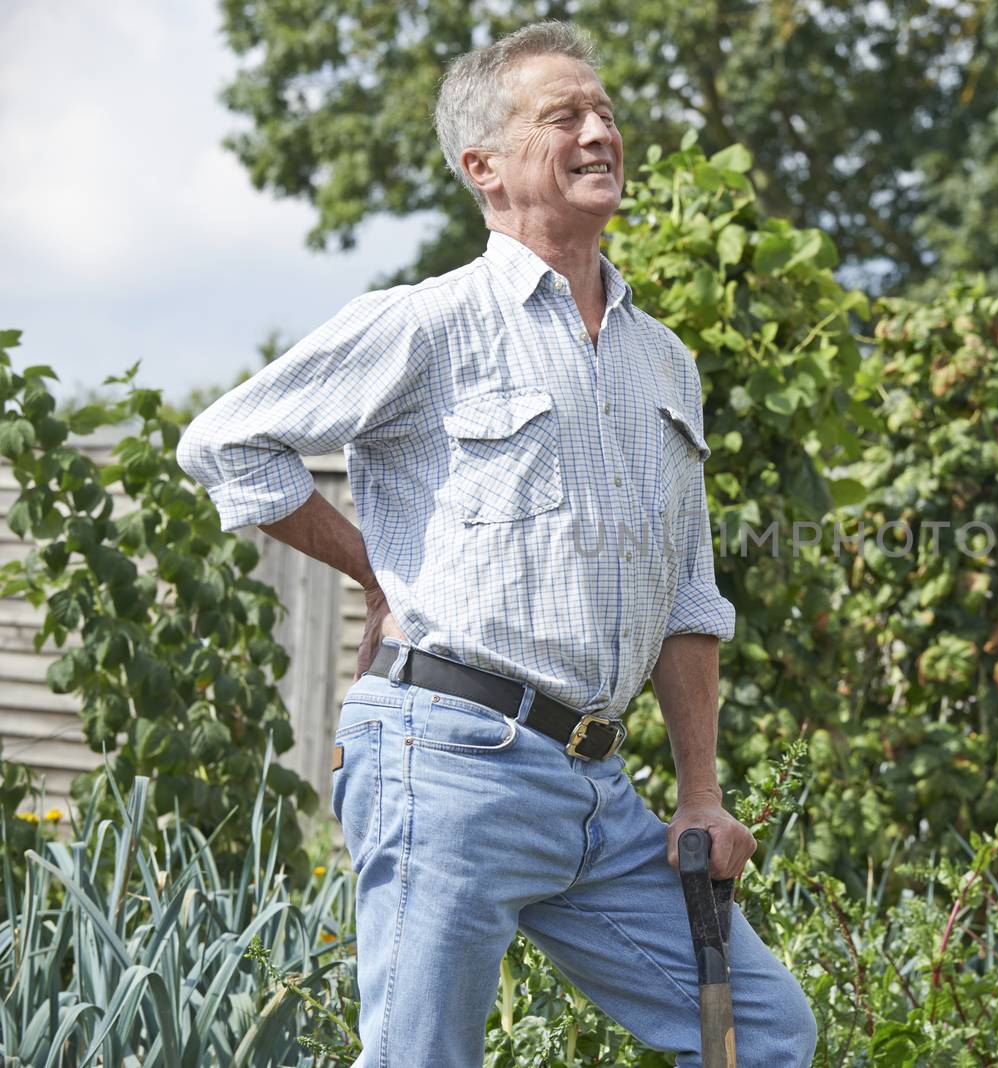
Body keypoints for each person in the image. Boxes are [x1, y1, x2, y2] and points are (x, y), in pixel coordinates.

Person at [176, 19, 816, 1067]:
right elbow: (227, 446)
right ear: (484, 166)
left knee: (763, 1034)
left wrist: (699, 794)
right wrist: (374, 568)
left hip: (597, 790)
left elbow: (687, 596)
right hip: (449, 758)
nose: (601, 129)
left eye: (605, 111)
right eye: (564, 115)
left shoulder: (665, 363)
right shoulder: (430, 323)